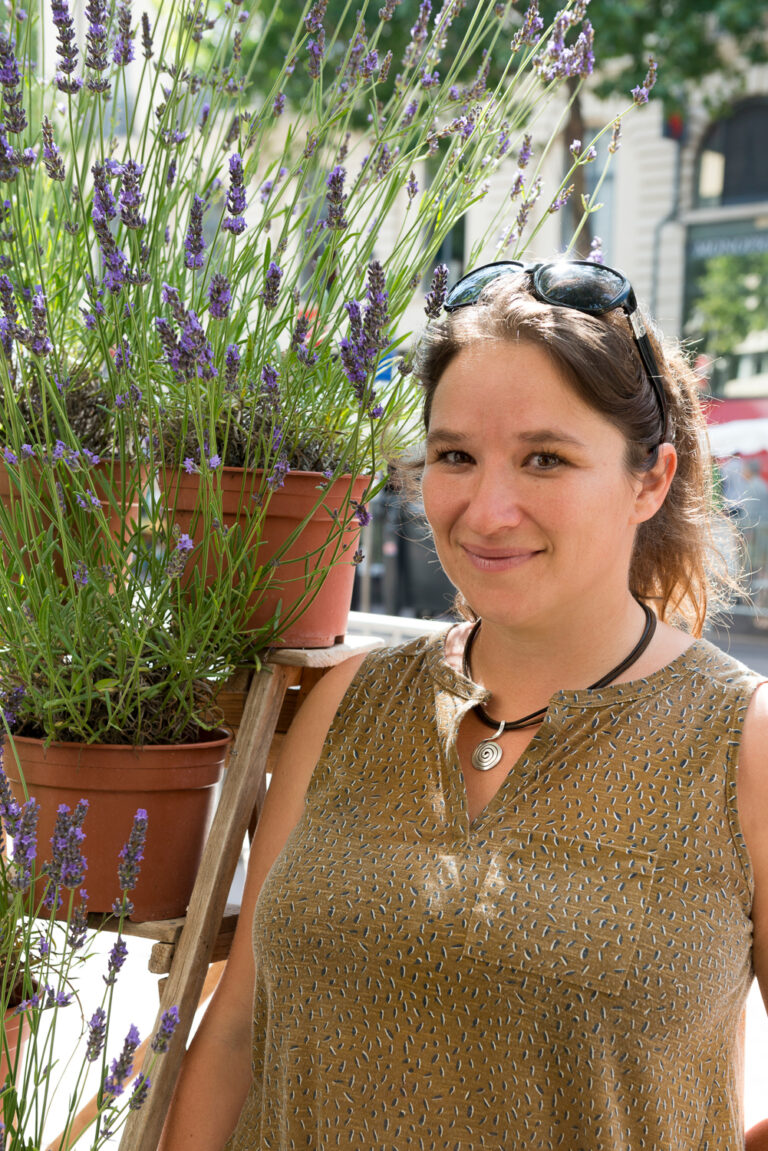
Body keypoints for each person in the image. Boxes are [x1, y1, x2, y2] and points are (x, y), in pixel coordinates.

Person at [159, 260, 768, 1151]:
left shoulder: (739, 743)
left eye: (545, 458)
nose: (486, 510)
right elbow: (243, 1023)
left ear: (650, 479)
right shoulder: (347, 702)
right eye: (456, 456)